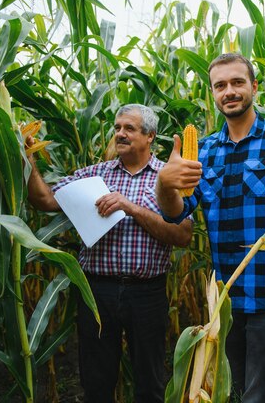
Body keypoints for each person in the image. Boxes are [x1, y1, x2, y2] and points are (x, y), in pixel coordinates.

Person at [156, 53, 265, 402]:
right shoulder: (206, 150)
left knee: (262, 396)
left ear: (254, 87)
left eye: (237, 82)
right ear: (213, 93)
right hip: (225, 301)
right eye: (220, 85)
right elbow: (177, 212)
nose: (229, 91)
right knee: (232, 391)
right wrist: (165, 185)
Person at [26, 103, 193, 403]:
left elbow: (182, 235)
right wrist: (28, 161)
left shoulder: (167, 179)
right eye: (117, 128)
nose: (120, 134)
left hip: (147, 294)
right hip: (97, 292)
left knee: (150, 383)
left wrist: (129, 207)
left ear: (150, 136)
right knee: (96, 382)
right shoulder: (95, 176)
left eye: (129, 128)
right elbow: (45, 200)